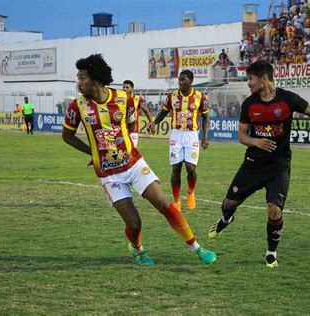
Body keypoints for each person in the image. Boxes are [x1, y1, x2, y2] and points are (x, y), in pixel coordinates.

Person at [62, 54, 216, 266]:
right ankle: (137, 250)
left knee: (164, 203)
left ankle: (197, 248)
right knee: (134, 224)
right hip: (109, 174)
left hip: (133, 164)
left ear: (96, 79)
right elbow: (67, 136)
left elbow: (132, 125)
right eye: (78, 79)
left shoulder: (123, 99)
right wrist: (93, 152)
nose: (79, 84)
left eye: (82, 78)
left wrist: (126, 144)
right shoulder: (77, 107)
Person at [207, 60, 310, 268]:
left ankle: (271, 252)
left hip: (279, 165)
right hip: (253, 164)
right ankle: (226, 219)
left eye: (250, 79)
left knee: (274, 210)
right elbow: (242, 137)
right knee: (229, 204)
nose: (248, 83)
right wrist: (257, 141)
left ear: (264, 79)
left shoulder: (287, 99)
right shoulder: (249, 104)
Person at [147, 70, 209, 211]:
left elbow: (205, 118)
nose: (180, 82)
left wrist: (205, 137)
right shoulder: (172, 96)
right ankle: (177, 201)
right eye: (179, 80)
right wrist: (154, 123)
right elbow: (163, 112)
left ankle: (190, 193)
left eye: (184, 80)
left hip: (192, 134)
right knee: (176, 168)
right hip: (176, 134)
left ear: (191, 81)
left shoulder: (200, 97)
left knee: (191, 168)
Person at [122, 80, 153, 147]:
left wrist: (151, 122)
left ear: (132, 89)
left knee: (132, 151)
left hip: (133, 130)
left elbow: (146, 112)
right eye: (123, 87)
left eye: (127, 87)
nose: (124, 89)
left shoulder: (138, 99)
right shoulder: (119, 99)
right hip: (122, 130)